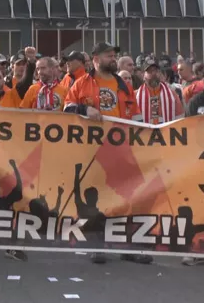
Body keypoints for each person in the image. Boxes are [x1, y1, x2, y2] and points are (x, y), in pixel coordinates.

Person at [63, 43, 150, 265]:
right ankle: (97, 245)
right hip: (92, 151)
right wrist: (84, 109)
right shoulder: (81, 84)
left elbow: (136, 118)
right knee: (96, 199)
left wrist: (140, 143)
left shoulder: (124, 85)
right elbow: (66, 109)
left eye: (114, 55)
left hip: (121, 150)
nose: (113, 58)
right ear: (95, 59)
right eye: (108, 55)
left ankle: (127, 247)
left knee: (126, 199)